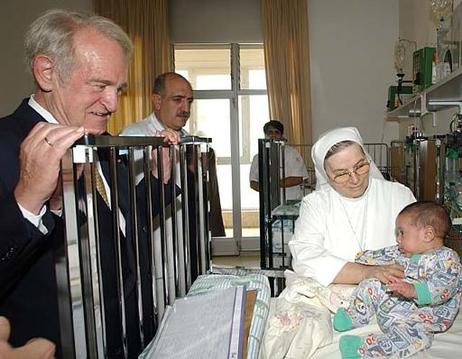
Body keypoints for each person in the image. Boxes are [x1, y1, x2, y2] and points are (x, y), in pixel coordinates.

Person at [0, 9, 178, 358]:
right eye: (99, 85)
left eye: (118, 89)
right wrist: (27, 202)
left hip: (126, 337)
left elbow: (119, 226)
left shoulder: (99, 142)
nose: (112, 103)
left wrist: (159, 179)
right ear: (47, 72)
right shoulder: (5, 145)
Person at [289, 127, 416, 286]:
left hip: (393, 289)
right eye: (341, 174)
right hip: (336, 292)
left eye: (360, 166)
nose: (355, 180)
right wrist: (367, 272)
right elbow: (305, 256)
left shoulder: (399, 195)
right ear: (326, 176)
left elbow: (424, 247)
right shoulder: (316, 205)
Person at [333, 201, 462, 358]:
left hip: (420, 318)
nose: (398, 239)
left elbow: (445, 287)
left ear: (427, 234)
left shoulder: (447, 259)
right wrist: (363, 258)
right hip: (392, 304)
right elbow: (381, 255)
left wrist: (413, 290)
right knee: (372, 283)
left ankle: (363, 350)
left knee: (415, 339)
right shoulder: (403, 252)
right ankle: (354, 315)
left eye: (402, 233)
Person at [249, 120, 309, 201]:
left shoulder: (292, 153)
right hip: (268, 203)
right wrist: (265, 188)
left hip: (291, 202)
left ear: (281, 135)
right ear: (265, 135)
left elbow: (298, 178)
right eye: (270, 132)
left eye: (276, 132)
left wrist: (272, 185)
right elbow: (253, 182)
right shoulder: (258, 157)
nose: (273, 135)